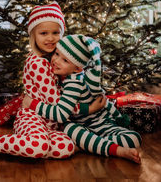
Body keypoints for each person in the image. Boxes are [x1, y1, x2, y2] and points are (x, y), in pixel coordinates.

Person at [0, 2, 79, 160]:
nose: (50, 38)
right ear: (33, 35)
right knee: (39, 147)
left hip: (52, 123)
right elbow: (57, 103)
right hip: (32, 117)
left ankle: (23, 145)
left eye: (55, 32)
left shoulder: (57, 61)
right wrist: (85, 108)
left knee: (66, 148)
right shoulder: (37, 63)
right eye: (43, 33)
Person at [23, 34, 142, 163]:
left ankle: (94, 145)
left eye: (65, 60)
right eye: (56, 54)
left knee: (133, 138)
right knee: (70, 128)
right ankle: (94, 144)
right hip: (84, 128)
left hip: (101, 125)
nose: (56, 61)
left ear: (78, 68)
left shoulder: (73, 83)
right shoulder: (67, 75)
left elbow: (60, 114)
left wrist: (32, 103)